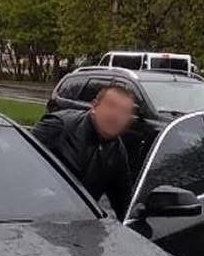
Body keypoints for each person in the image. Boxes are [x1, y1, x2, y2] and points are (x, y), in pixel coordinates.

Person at [31, 83, 137, 219]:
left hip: (81, 223)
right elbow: (20, 165)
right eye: (111, 106)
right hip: (38, 219)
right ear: (94, 106)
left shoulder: (116, 149)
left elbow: (124, 202)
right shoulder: (59, 126)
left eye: (124, 112)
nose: (116, 115)